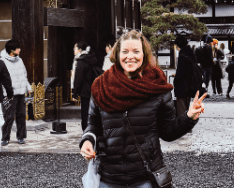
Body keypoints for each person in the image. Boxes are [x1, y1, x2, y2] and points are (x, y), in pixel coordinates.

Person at [79, 30, 206, 188]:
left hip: (145, 177)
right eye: (124, 51)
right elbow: (93, 124)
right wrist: (87, 141)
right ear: (117, 54)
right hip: (108, 177)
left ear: (144, 54)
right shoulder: (101, 86)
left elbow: (167, 131)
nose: (130, 56)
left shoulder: (157, 87)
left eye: (136, 51)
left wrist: (188, 117)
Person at [0, 39, 32, 146]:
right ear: (12, 50)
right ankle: (5, 137)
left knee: (21, 115)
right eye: (17, 48)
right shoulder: (3, 61)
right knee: (8, 116)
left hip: (21, 92)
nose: (20, 49)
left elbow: (24, 75)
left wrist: (28, 87)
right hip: (9, 93)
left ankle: (21, 136)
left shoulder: (20, 60)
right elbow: (2, 79)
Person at [72, 41, 99, 130]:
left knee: (85, 113)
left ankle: (86, 131)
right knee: (93, 112)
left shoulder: (81, 61)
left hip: (85, 92)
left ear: (79, 50)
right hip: (94, 90)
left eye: (75, 48)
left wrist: (75, 93)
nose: (73, 50)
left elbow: (78, 78)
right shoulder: (91, 59)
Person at [172, 35, 197, 117]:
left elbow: (181, 71)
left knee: (181, 108)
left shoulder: (182, 54)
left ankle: (183, 127)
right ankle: (186, 126)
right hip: (190, 83)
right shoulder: (190, 53)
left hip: (182, 85)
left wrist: (175, 80)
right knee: (186, 106)